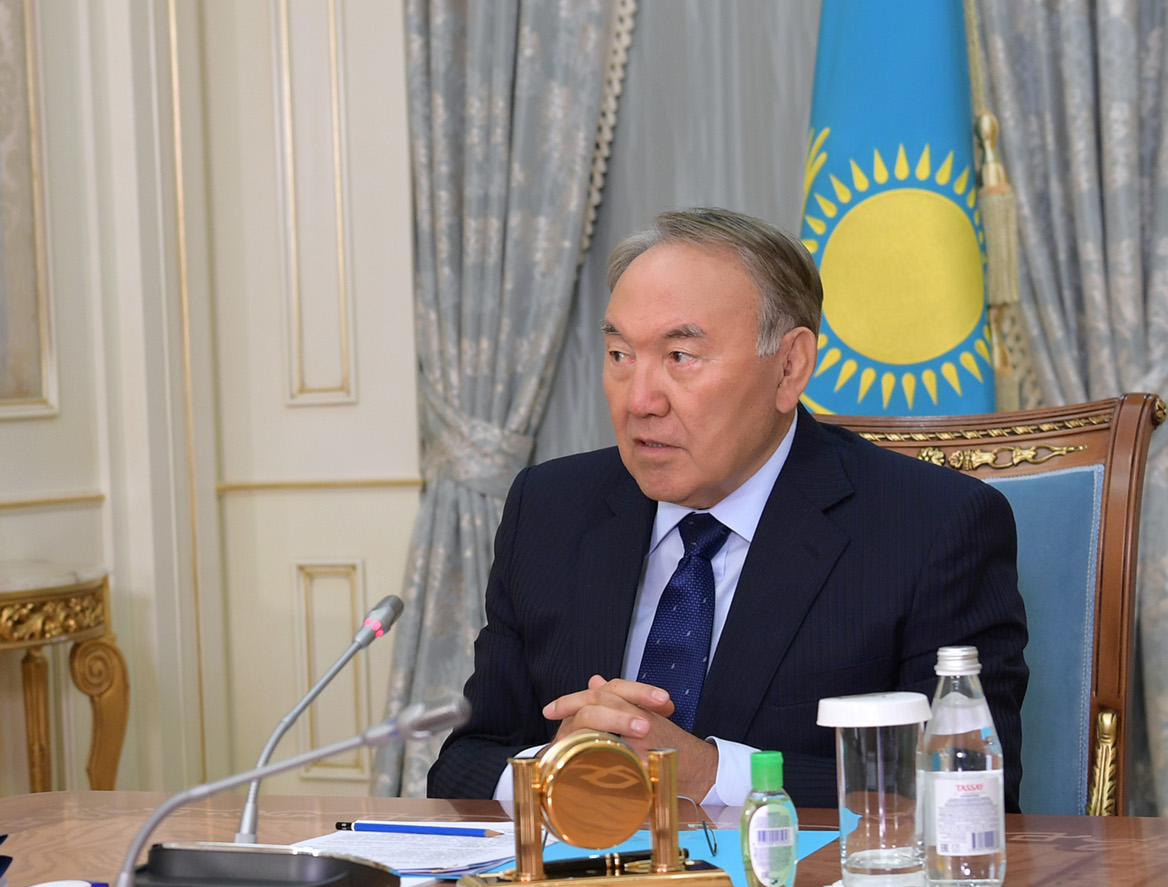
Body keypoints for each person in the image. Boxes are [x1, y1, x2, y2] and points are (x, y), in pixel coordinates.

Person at [426, 207, 1029, 811]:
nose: (639, 401)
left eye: (680, 357)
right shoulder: (550, 507)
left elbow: (971, 791)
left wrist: (708, 773)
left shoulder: (929, 527)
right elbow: (462, 764)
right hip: (583, 869)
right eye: (619, 355)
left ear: (790, 367)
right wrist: (553, 770)